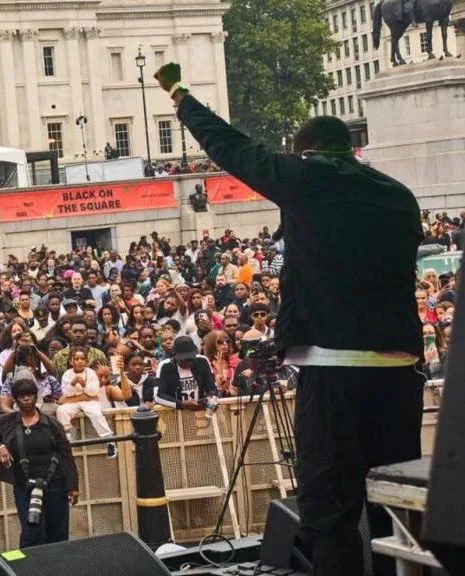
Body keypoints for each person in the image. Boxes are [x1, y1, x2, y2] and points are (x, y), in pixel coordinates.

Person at [156, 62, 424, 576]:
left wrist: (181, 93)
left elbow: (230, 145)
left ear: (306, 155)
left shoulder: (306, 180)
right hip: (399, 370)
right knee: (392, 505)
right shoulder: (398, 195)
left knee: (329, 510)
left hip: (333, 367)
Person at [0, 371, 78, 548]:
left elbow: (65, 453)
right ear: (15, 399)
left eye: (30, 395)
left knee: (57, 530)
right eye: (22, 396)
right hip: (24, 484)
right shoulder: (7, 422)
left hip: (54, 483)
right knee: (31, 531)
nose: (26, 399)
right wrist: (0, 447)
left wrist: (72, 486)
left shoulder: (51, 423)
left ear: (36, 397)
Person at [56, 348, 116, 457]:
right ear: (71, 361)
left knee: (96, 413)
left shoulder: (91, 373)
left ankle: (109, 441)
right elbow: (66, 393)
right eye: (76, 359)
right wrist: (72, 384)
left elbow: (94, 391)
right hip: (74, 403)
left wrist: (84, 385)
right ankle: (68, 439)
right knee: (61, 410)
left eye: (82, 359)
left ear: (86, 361)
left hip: (90, 403)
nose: (80, 361)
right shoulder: (67, 374)